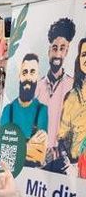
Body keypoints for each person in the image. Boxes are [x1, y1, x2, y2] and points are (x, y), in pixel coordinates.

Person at [0, 53, 48, 167]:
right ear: (19, 76)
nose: (28, 78)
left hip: (31, 175)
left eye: (32, 72)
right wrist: (27, 148)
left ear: (37, 76)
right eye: (25, 72)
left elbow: (39, 155)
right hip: (10, 173)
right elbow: (4, 152)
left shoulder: (42, 110)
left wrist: (17, 148)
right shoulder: (8, 110)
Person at [36, 18, 76, 154]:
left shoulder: (73, 86)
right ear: (49, 51)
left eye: (62, 48)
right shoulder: (37, 87)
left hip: (62, 158)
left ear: (67, 52)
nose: (58, 54)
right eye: (55, 48)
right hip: (37, 157)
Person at [57, 37, 86, 175]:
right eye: (84, 54)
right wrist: (70, 166)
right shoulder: (71, 97)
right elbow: (62, 138)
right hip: (75, 170)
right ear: (79, 59)